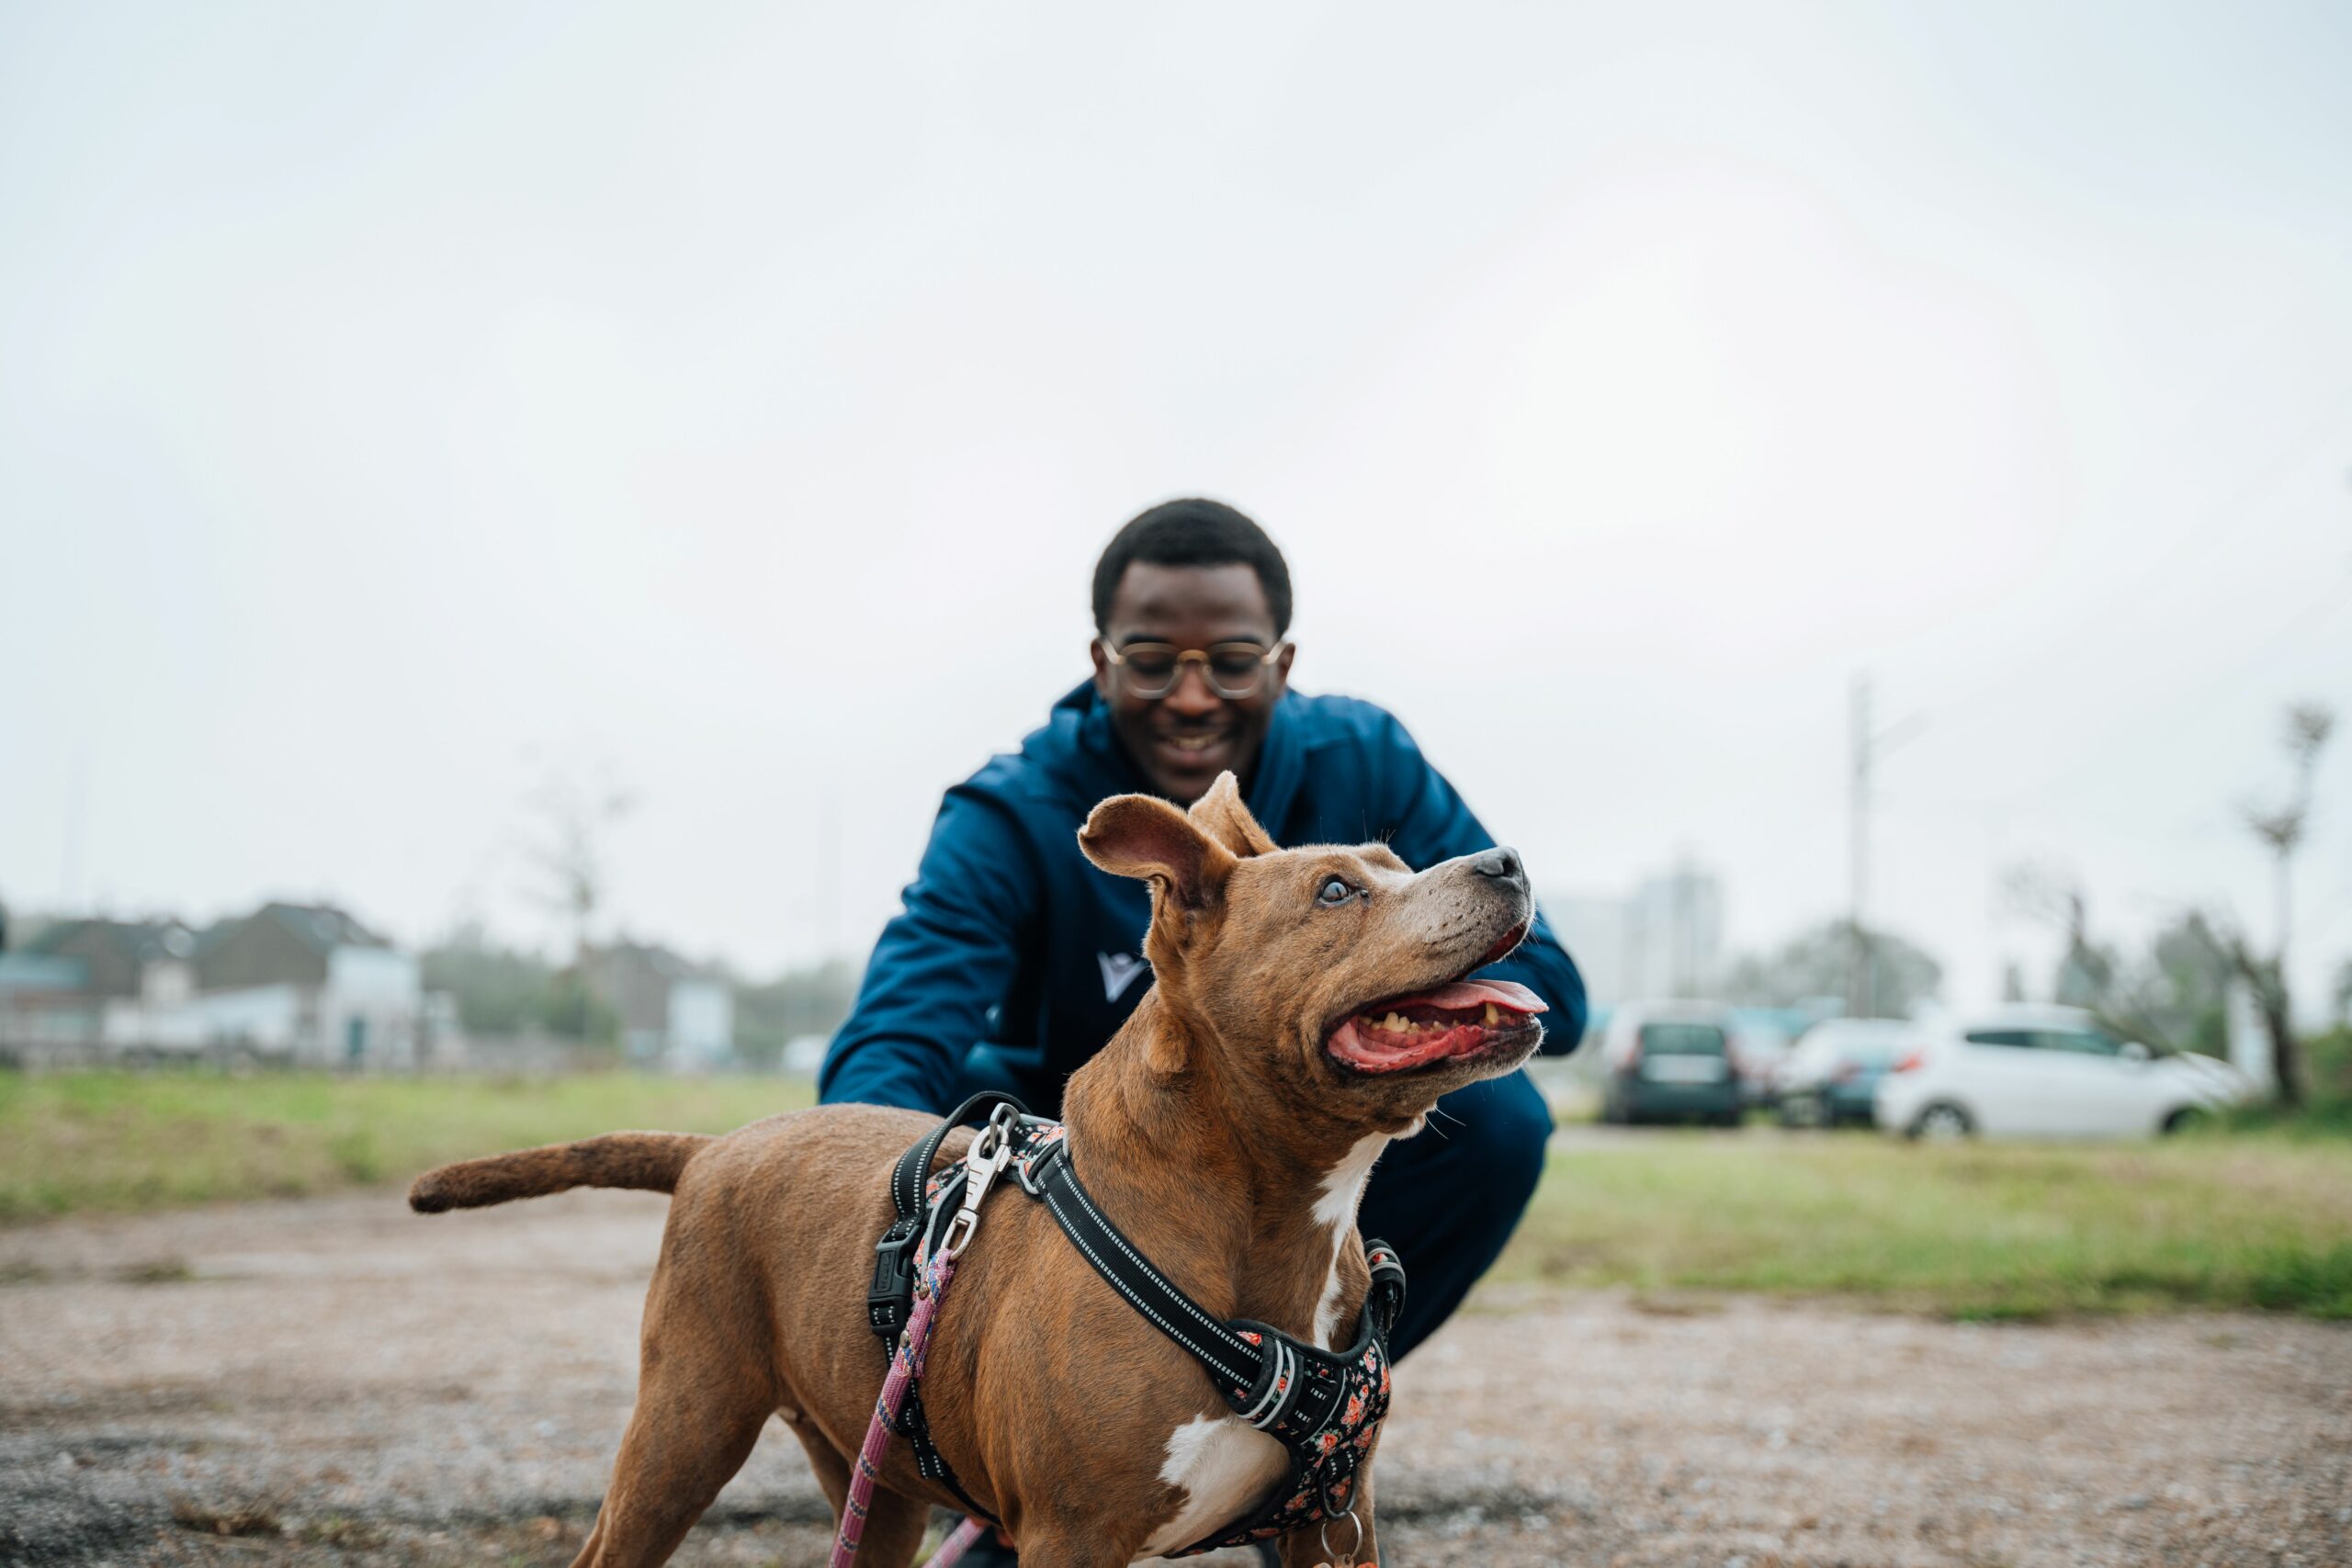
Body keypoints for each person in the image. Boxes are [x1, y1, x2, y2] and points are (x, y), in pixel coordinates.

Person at [819, 498, 1586, 1560]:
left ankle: (1297, 1429)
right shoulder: (1013, 811)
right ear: (1100, 661)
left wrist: (1366, 979)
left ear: (1281, 661)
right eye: (1150, 662)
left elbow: (1550, 986)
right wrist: (883, 1192)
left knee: (1501, 1131)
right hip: (1069, 1145)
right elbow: (901, 1026)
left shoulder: (1361, 758)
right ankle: (1040, 1450)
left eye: (1230, 662)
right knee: (947, 1146)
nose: (1190, 697)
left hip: (1298, 1125)